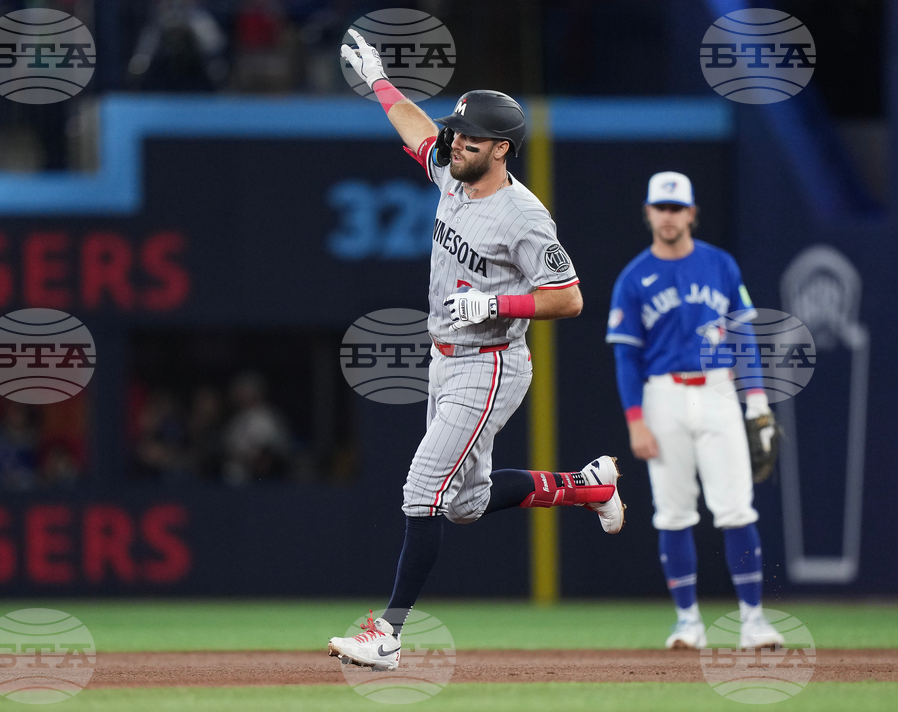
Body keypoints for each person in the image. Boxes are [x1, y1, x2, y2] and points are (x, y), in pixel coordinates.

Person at [327, 30, 625, 672]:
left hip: (490, 363)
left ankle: (389, 634)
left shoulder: (524, 216)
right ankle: (587, 488)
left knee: (421, 489)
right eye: (456, 133)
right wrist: (379, 81)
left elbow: (568, 298)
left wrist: (498, 303)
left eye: (469, 138)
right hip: (445, 357)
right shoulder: (453, 177)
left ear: (501, 148)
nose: (455, 142)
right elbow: (414, 132)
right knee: (464, 503)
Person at [606, 171, 784, 650]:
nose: (668, 216)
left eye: (676, 207)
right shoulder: (632, 278)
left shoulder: (720, 265)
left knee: (735, 508)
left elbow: (745, 339)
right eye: (660, 208)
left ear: (691, 212)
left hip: (720, 391)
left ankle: (753, 621)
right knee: (673, 513)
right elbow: (626, 356)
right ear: (648, 213)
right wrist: (635, 419)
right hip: (662, 394)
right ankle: (688, 622)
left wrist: (757, 403)